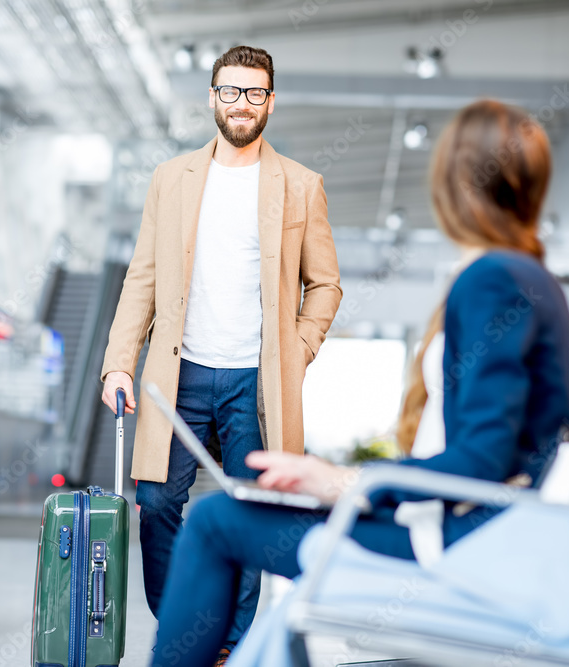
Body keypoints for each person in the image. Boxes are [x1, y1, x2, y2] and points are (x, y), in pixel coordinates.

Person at [148, 99, 569, 667]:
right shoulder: (532, 277)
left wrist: (344, 482)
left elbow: (482, 459)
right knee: (233, 515)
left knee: (213, 520)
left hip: (456, 545)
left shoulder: (492, 279)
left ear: (453, 183)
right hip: (489, 534)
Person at [99, 45, 343, 664]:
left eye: (254, 93)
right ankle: (183, 622)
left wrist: (300, 349)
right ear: (212, 97)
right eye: (230, 92)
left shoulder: (300, 185)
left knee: (251, 508)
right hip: (178, 372)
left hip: (254, 383)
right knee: (154, 503)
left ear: (269, 101)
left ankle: (229, 645)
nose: (241, 104)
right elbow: (143, 278)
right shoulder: (172, 179)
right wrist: (119, 361)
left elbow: (326, 285)